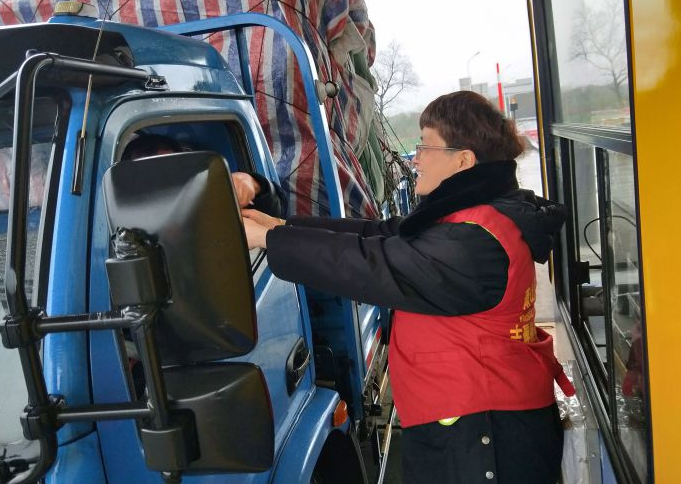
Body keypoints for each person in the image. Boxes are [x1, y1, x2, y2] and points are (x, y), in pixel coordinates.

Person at [242, 91, 573, 484]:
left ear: (463, 160)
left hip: (487, 435)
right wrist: (281, 227)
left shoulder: (473, 241)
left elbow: (372, 265)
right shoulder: (469, 217)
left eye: (425, 146)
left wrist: (267, 241)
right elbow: (380, 234)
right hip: (472, 423)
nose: (415, 158)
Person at [121, 133, 286, 217]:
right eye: (151, 175)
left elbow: (275, 218)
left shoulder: (203, 206)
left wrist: (255, 184)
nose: (163, 181)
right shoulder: (125, 227)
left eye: (171, 170)